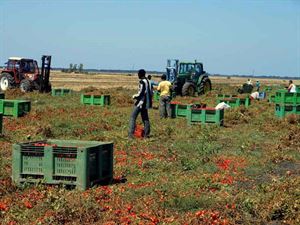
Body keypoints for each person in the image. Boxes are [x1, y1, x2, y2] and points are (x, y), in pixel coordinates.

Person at [128, 69, 152, 139]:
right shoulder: (149, 81)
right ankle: (146, 135)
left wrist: (134, 96)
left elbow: (141, 93)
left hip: (141, 102)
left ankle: (130, 135)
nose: (138, 75)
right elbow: (150, 92)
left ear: (140, 74)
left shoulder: (142, 82)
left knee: (132, 117)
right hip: (146, 103)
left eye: (138, 74)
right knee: (145, 118)